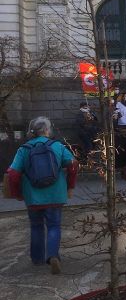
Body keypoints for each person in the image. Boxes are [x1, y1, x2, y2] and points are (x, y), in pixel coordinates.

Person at [6, 116, 78, 274]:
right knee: (54, 226)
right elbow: (73, 164)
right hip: (55, 195)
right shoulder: (57, 146)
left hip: (33, 197)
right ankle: (53, 256)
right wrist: (70, 186)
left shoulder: (24, 149)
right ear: (47, 130)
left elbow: (13, 174)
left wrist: (17, 193)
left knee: (36, 226)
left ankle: (37, 258)